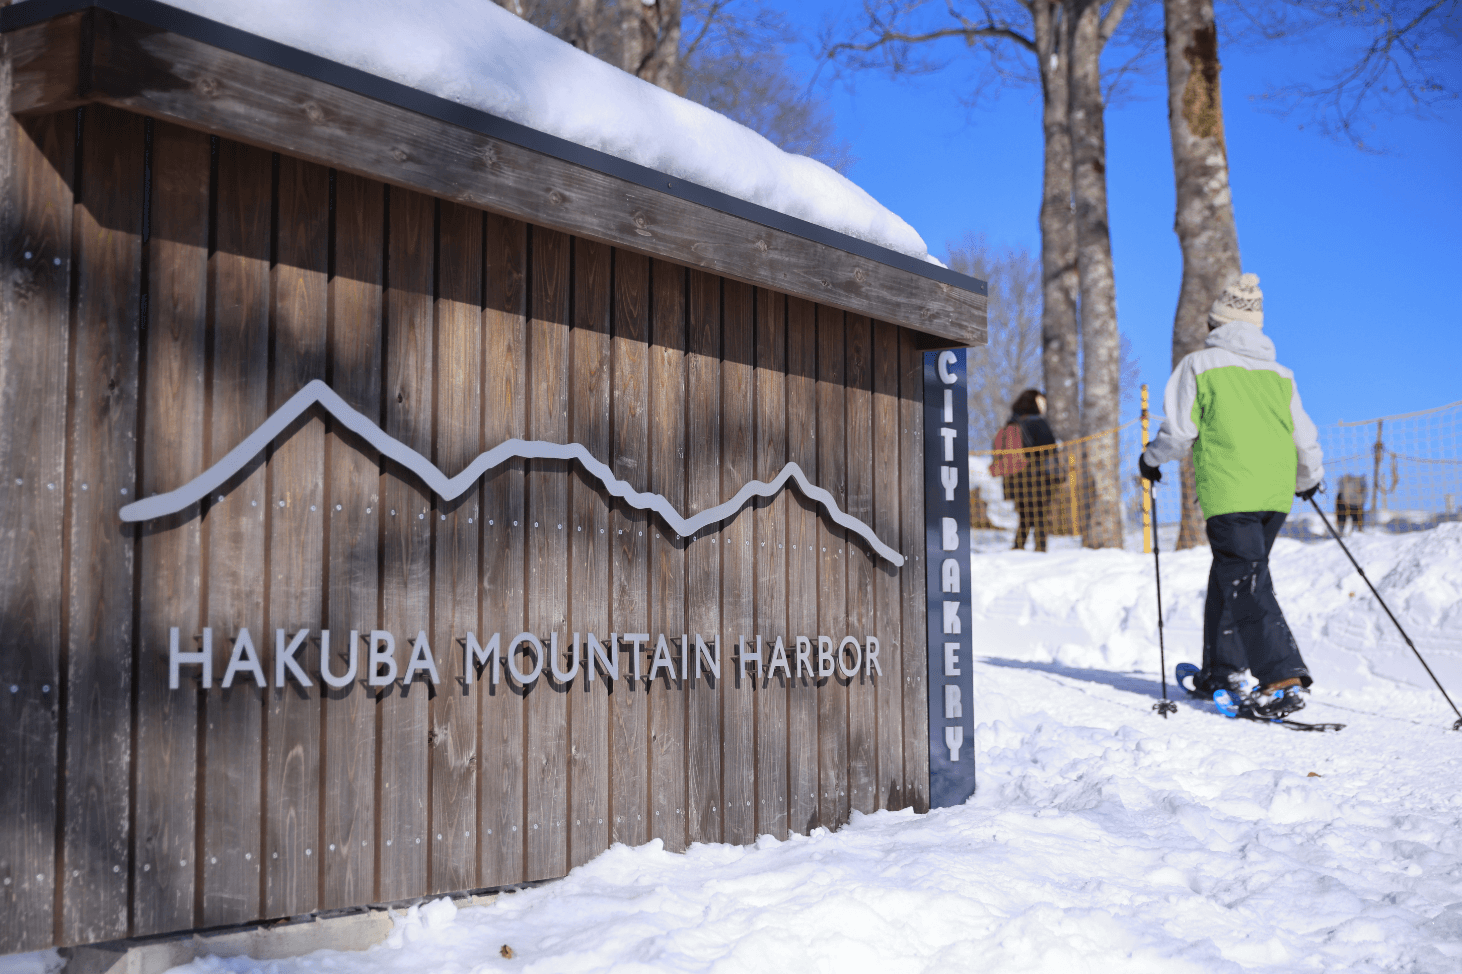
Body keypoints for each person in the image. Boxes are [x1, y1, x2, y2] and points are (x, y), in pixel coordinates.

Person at [1138, 274, 1323, 719]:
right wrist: (1309, 477)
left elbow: (1180, 431)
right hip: (1275, 493)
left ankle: (1281, 677)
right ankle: (1221, 671)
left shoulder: (1199, 365)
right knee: (1233, 575)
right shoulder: (1281, 374)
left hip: (1231, 488)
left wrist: (1151, 459)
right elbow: (1304, 434)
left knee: (1246, 579)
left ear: (1216, 321)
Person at [992, 389, 1057, 552]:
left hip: (1014, 479)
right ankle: (1040, 551)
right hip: (1036, 478)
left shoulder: (1011, 423)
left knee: (1025, 517)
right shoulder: (1037, 422)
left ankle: (1018, 549)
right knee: (1041, 515)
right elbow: (1049, 450)